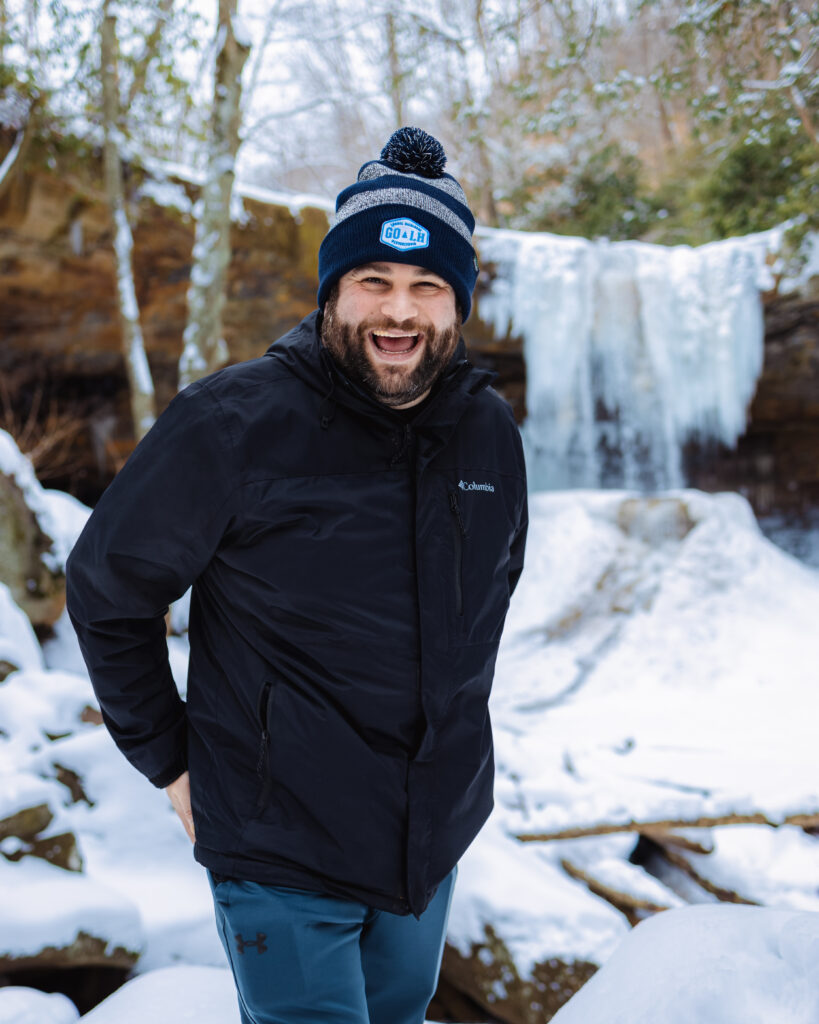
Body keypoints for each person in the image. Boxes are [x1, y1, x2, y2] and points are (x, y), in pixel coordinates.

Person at [66, 126, 528, 1024]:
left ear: (457, 303)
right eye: (374, 283)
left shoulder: (487, 433)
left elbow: (490, 601)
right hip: (280, 843)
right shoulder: (233, 423)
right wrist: (169, 759)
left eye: (427, 287)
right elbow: (106, 588)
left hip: (427, 844)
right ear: (332, 292)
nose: (400, 312)